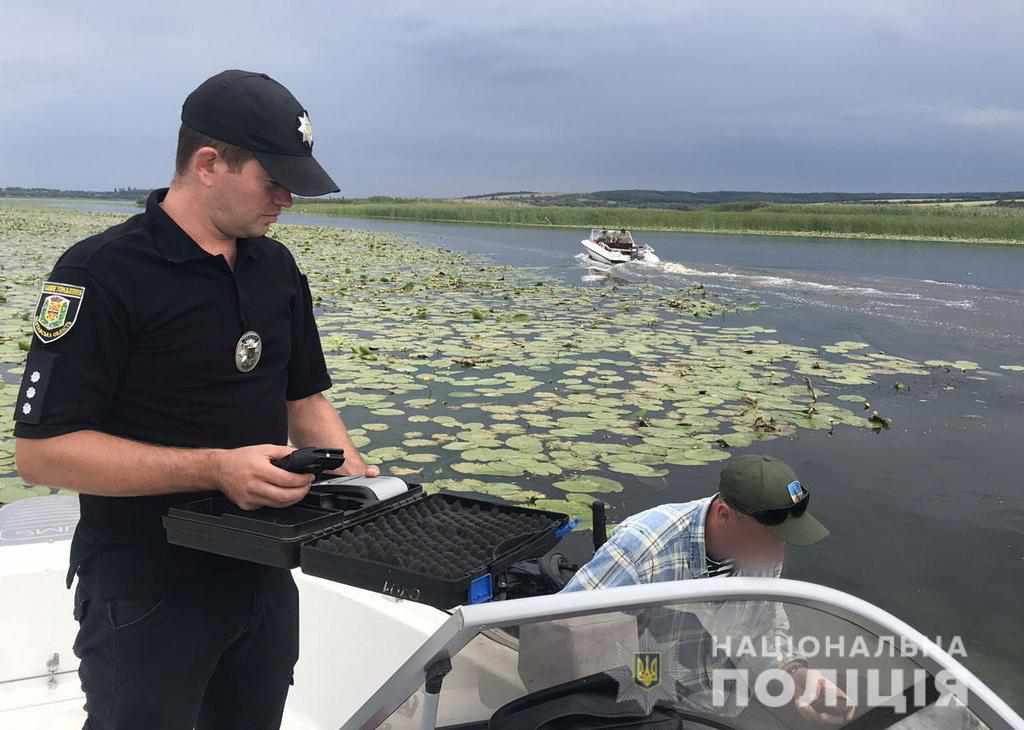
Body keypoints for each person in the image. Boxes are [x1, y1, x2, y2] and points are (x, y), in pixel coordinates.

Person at [13, 69, 378, 730]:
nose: (288, 200)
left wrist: (350, 472)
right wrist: (215, 470)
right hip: (146, 590)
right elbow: (43, 455)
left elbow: (306, 397)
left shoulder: (276, 269)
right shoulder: (100, 273)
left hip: (263, 581)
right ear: (209, 164)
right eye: (275, 181)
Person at [562, 454, 855, 726]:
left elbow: (763, 632)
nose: (778, 556)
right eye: (770, 538)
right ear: (724, 515)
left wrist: (798, 675)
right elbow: (559, 631)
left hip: (721, 713)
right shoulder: (641, 549)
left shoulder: (763, 553)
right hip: (643, 712)